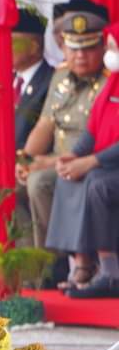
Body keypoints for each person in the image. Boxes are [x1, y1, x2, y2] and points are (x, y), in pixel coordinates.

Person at [16, 0, 109, 257]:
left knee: (39, 183)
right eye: (74, 48)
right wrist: (25, 160)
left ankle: (54, 261)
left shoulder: (110, 81)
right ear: (63, 47)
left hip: (89, 163)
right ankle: (29, 263)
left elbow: (102, 140)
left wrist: (47, 163)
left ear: (103, 47)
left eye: (88, 48)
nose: (80, 55)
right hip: (54, 160)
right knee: (9, 184)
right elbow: (45, 124)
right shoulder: (60, 76)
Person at [55, 23, 119, 298]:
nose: (109, 53)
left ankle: (111, 273)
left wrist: (91, 161)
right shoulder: (112, 83)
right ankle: (83, 265)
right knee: (69, 176)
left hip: (110, 166)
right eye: (109, 47)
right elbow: (92, 131)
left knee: (97, 183)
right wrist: (73, 156)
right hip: (107, 164)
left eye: (114, 47)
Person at [12, 7, 54, 150]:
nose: (4, 48)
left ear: (34, 47)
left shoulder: (52, 81)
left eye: (12, 43)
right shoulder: (1, 81)